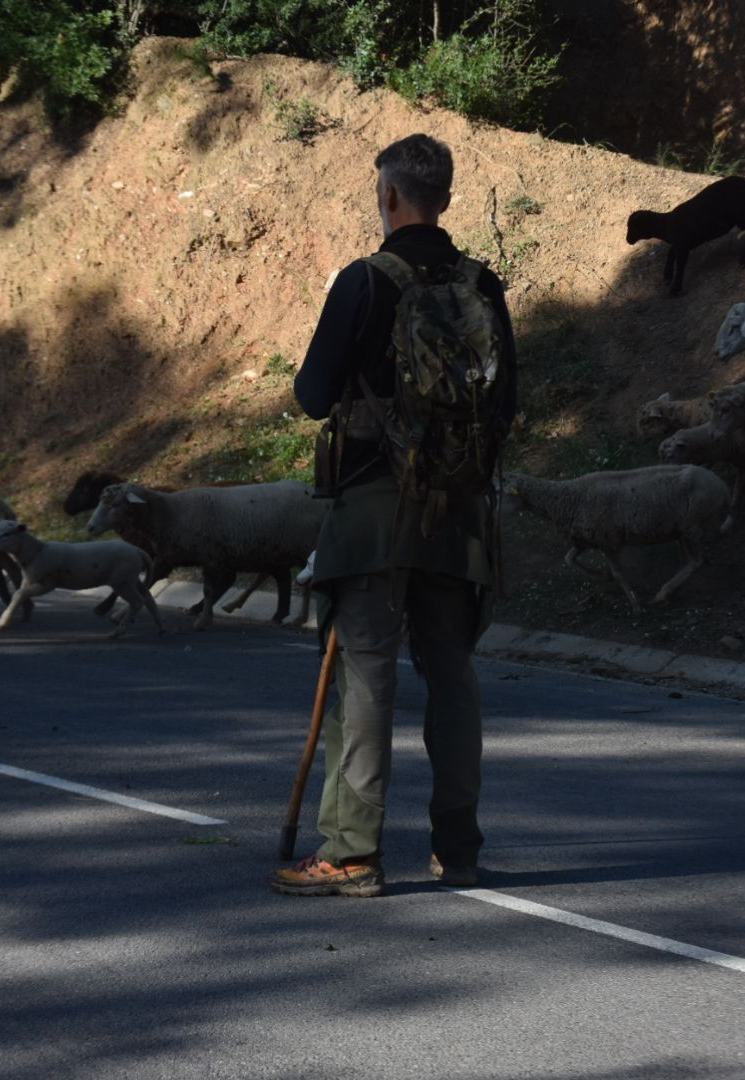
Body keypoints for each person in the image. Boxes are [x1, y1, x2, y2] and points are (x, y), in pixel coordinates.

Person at [269, 133, 517, 898]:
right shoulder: (483, 286)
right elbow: (503, 408)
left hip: (375, 509)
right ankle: (460, 848)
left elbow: (312, 398)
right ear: (444, 197)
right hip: (459, 515)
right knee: (452, 676)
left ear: (389, 197)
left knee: (367, 679)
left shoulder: (366, 282)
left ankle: (351, 854)